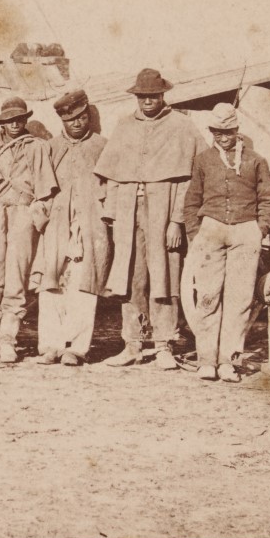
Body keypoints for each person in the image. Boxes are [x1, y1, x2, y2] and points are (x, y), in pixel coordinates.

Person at [94, 68, 205, 369]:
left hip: (163, 211)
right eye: (143, 96)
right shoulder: (124, 126)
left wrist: (176, 221)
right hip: (129, 212)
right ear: (137, 97)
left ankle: (163, 345)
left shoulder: (182, 127)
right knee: (131, 276)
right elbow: (113, 177)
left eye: (153, 96)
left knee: (164, 276)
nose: (148, 101)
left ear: (163, 95)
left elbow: (191, 181)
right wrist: (113, 213)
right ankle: (132, 344)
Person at [183, 103, 270, 383]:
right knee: (208, 297)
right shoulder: (203, 161)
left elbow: (268, 198)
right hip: (211, 231)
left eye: (227, 132)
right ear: (211, 132)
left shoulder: (255, 161)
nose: (223, 138)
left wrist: (258, 230)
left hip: (245, 232)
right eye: (217, 132)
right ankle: (206, 361)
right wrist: (196, 233)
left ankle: (229, 362)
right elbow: (192, 199)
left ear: (237, 131)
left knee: (239, 299)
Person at [0, 96, 57, 363]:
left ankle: (8, 341)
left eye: (20, 119)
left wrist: (36, 215)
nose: (15, 124)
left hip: (22, 214)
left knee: (16, 278)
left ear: (25, 120)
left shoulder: (37, 147)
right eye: (10, 120)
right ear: (2, 122)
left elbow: (46, 190)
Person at [35, 89, 110, 366]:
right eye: (71, 119)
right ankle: (51, 345)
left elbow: (111, 185)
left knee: (83, 285)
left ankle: (76, 348)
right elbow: (40, 190)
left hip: (90, 226)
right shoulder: (50, 147)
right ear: (62, 121)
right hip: (56, 225)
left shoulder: (103, 146)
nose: (77, 123)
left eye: (82, 117)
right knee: (51, 283)